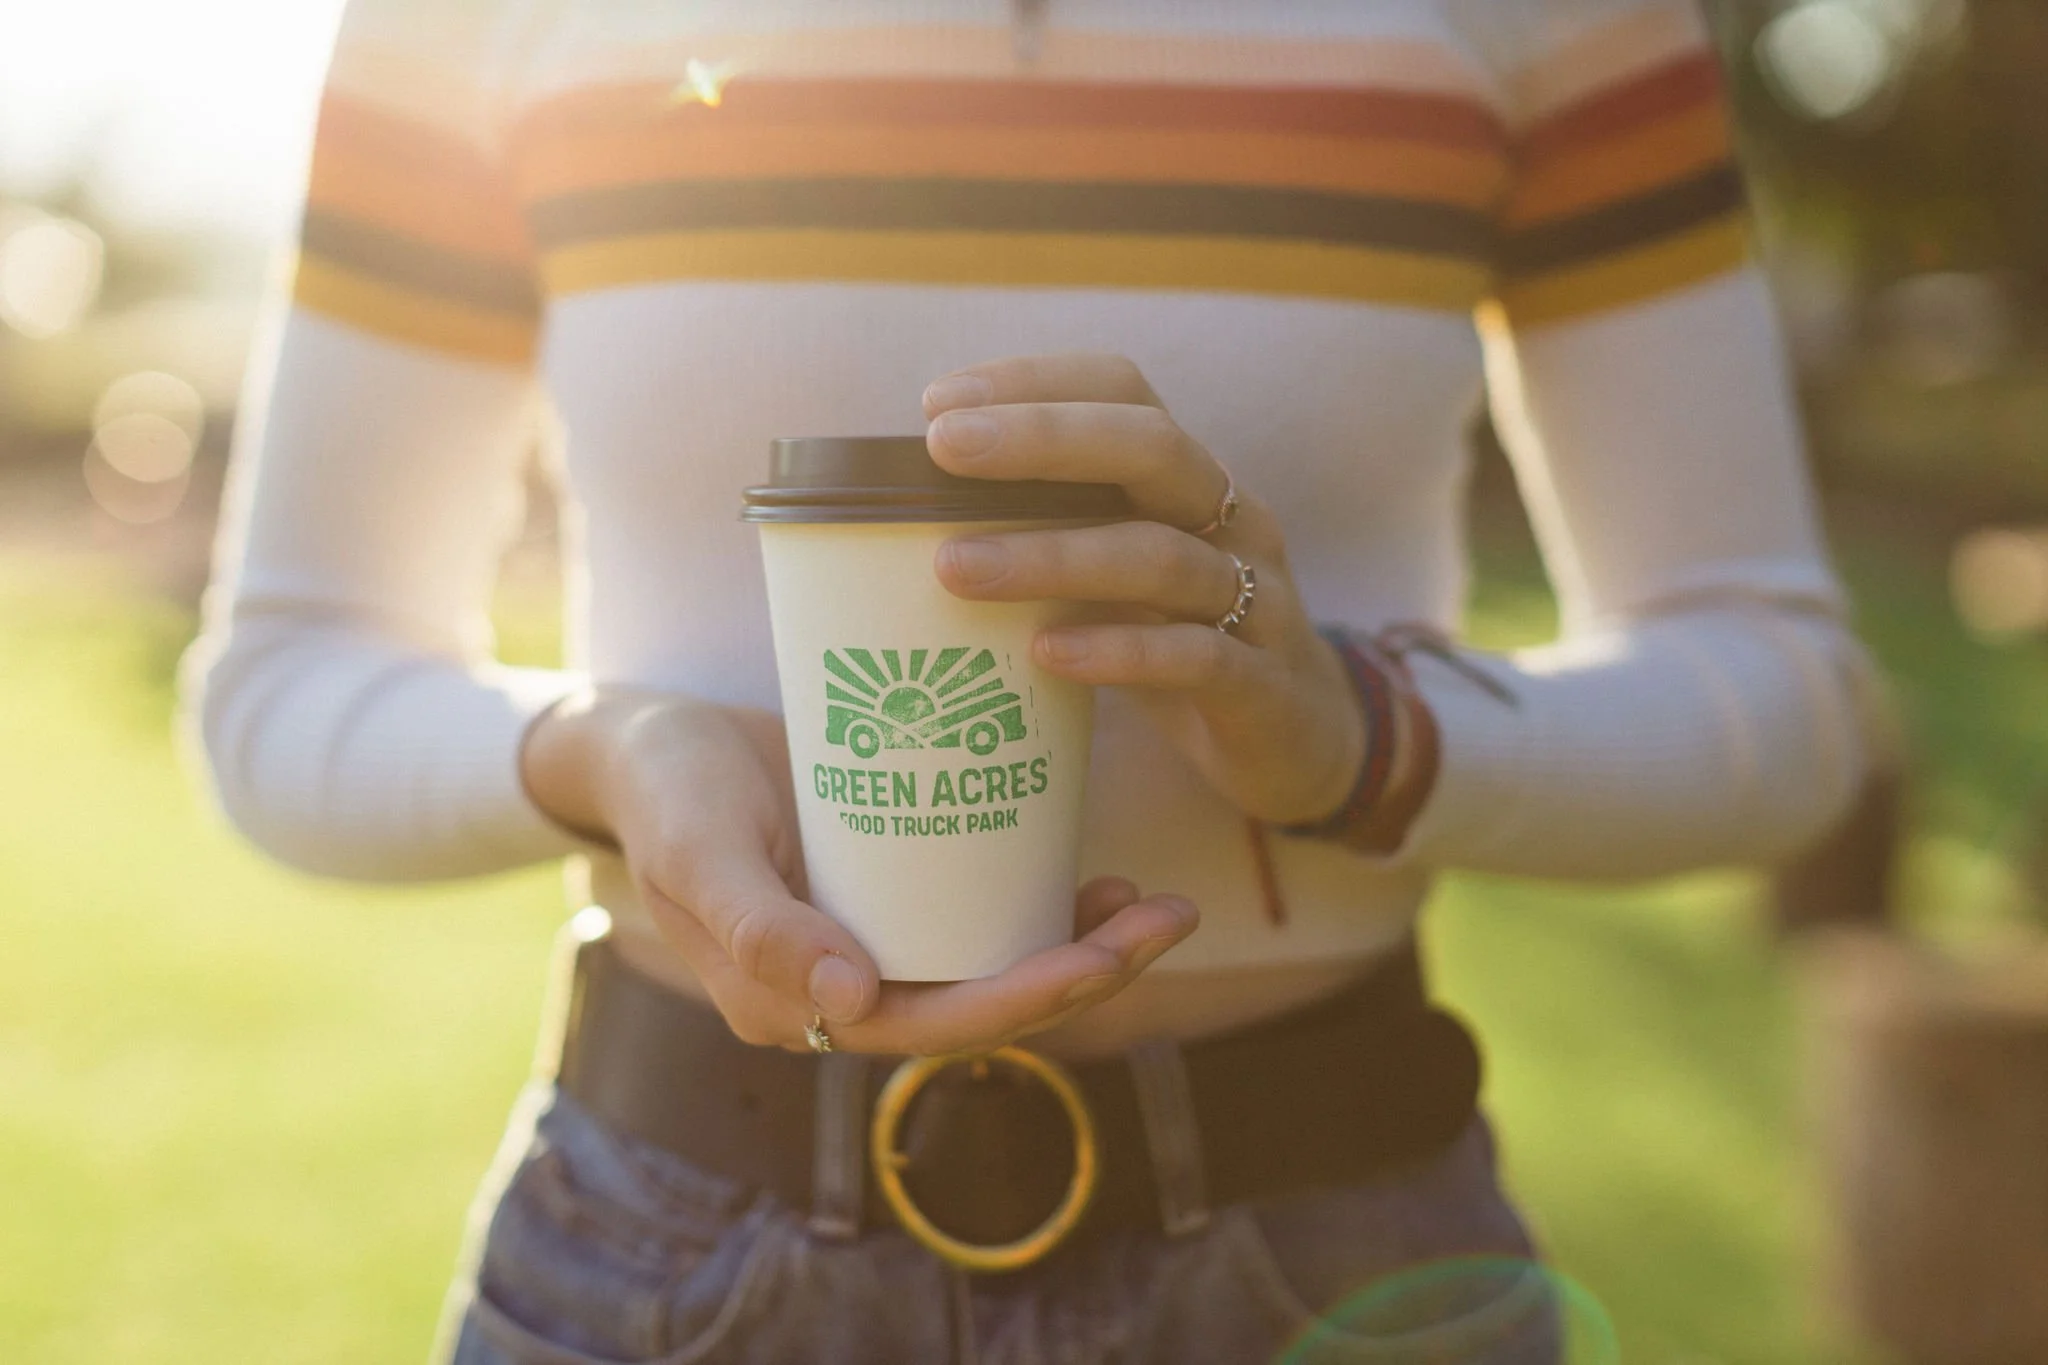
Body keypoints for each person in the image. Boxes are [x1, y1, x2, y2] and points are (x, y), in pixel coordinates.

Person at [182, 0, 1881, 1359]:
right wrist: (606, 749)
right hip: (660, 1265)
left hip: (1349, 1266)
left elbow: (1783, 688)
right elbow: (286, 680)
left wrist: (1361, 733)